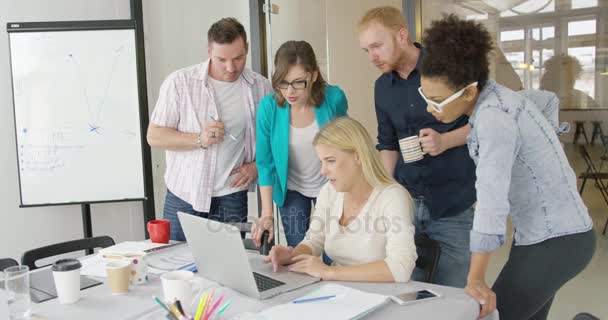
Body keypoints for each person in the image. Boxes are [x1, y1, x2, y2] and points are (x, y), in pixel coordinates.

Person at [419, 15, 595, 319]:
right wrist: (545, 152)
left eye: (436, 101)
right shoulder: (503, 96)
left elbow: (491, 202)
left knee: (492, 314)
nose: (428, 108)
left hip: (556, 241)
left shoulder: (492, 119)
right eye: (426, 97)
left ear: (469, 92)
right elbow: (547, 99)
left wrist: (475, 278)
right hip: (547, 236)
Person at [357, 6, 476, 287]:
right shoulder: (382, 88)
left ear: (401, 35)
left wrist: (445, 140)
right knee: (409, 294)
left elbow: (484, 123)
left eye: (377, 46)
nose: (372, 56)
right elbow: (388, 145)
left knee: (452, 296)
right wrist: (379, 194)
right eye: (367, 50)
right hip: (405, 205)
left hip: (452, 205)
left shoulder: (448, 68)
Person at [147, 18, 272, 241]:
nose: (231, 67)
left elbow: (273, 140)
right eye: (221, 59)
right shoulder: (179, 83)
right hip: (184, 194)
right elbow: (154, 136)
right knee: (176, 266)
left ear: (247, 49)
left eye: (238, 58)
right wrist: (199, 139)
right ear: (208, 51)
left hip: (231, 195)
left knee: (227, 270)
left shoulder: (261, 87)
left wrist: (256, 167)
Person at [264, 117, 417, 282]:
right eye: (321, 162)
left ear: (358, 157)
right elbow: (314, 241)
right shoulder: (329, 191)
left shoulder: (392, 197)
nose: (323, 171)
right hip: (341, 294)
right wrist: (291, 256)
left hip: (385, 299)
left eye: (330, 161)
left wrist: (328, 272)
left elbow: (400, 268)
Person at [252, 41, 348, 248]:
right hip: (292, 189)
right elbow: (265, 163)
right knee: (299, 251)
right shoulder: (269, 107)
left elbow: (348, 144)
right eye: (283, 83)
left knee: (334, 251)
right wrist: (266, 213)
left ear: (313, 75)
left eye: (298, 82)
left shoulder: (334, 98)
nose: (290, 92)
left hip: (330, 185)